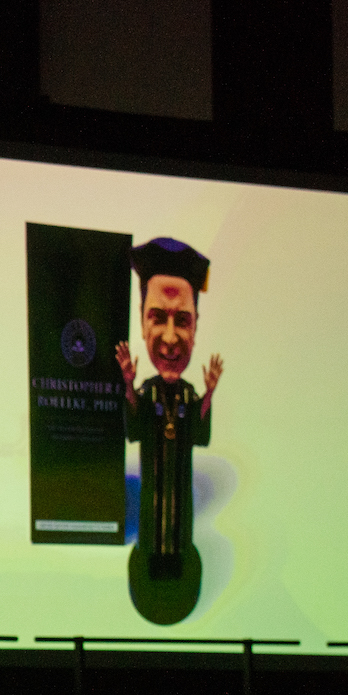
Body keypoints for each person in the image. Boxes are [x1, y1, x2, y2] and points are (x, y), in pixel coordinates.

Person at [116, 237, 225, 624]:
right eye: (157, 317)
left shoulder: (189, 394)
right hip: (149, 511)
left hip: (182, 518)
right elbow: (133, 426)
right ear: (142, 322)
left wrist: (209, 393)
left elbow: (198, 432)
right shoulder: (146, 392)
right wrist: (128, 383)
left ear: (196, 328)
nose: (169, 337)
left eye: (183, 320)